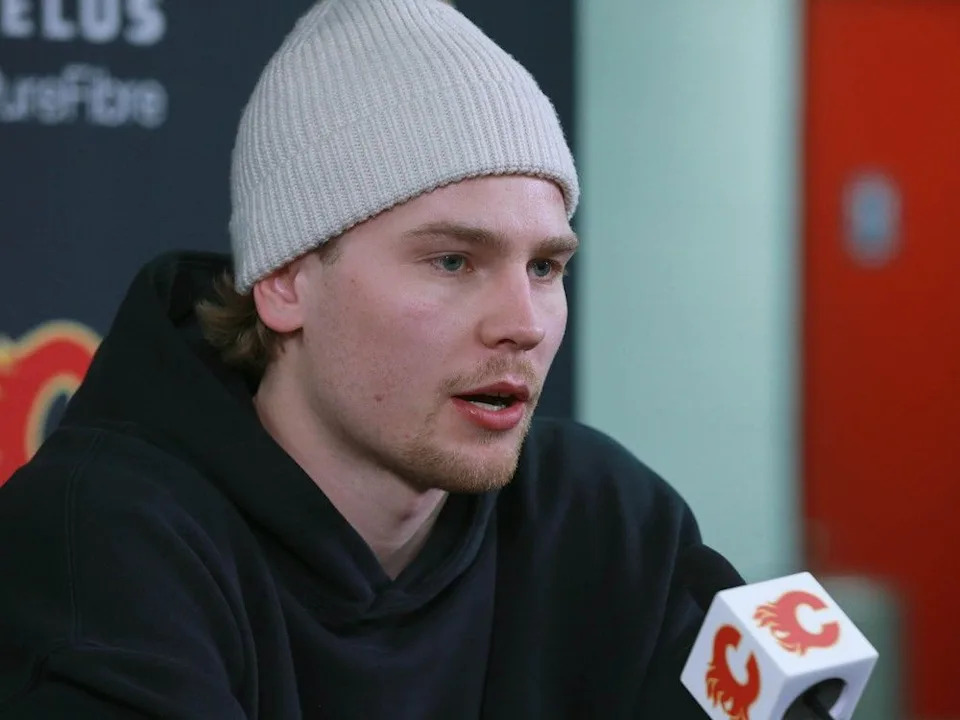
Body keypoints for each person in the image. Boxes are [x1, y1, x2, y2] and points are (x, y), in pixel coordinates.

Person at [0, 0, 713, 717]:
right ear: (284, 281)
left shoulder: (603, 515)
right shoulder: (103, 541)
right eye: (454, 261)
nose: (523, 325)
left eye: (545, 268)